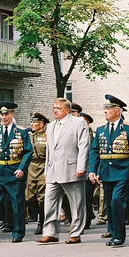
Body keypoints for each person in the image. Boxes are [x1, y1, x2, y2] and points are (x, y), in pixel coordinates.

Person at [89, 94, 129, 247]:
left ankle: (119, 235)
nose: (105, 111)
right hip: (106, 172)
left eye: (109, 109)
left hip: (123, 171)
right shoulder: (100, 130)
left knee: (117, 201)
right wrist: (93, 170)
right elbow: (95, 151)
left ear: (118, 111)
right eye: (105, 109)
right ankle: (112, 232)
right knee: (109, 203)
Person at [36, 98, 90, 244]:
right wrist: (47, 167)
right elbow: (49, 149)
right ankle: (50, 233)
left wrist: (81, 166)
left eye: (58, 108)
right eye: (54, 108)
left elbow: (84, 145)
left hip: (71, 168)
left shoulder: (78, 123)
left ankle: (75, 233)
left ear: (67, 110)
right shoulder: (51, 126)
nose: (55, 110)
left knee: (77, 204)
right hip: (53, 170)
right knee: (50, 203)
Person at [0, 102, 32, 243]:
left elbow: (28, 151)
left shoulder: (21, 132)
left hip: (14, 172)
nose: (4, 117)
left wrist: (22, 168)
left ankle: (18, 232)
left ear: (12, 114)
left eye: (7, 114)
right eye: (2, 114)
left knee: (17, 204)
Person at [26, 112, 50, 235]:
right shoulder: (30, 136)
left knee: (42, 197)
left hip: (43, 166)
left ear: (41, 124)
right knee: (29, 197)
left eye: (34, 122)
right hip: (31, 167)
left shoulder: (47, 135)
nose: (32, 124)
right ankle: (41, 214)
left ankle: (42, 222)